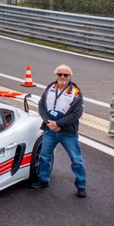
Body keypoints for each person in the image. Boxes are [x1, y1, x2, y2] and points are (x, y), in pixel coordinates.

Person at [32, 65, 87, 197]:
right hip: (50, 130)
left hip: (68, 133)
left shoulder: (75, 92)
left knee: (76, 160)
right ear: (55, 75)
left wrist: (58, 124)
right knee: (45, 156)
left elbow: (77, 113)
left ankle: (81, 186)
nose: (62, 77)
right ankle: (43, 179)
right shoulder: (50, 88)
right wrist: (49, 123)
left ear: (70, 77)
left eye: (65, 75)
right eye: (59, 74)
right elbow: (41, 107)